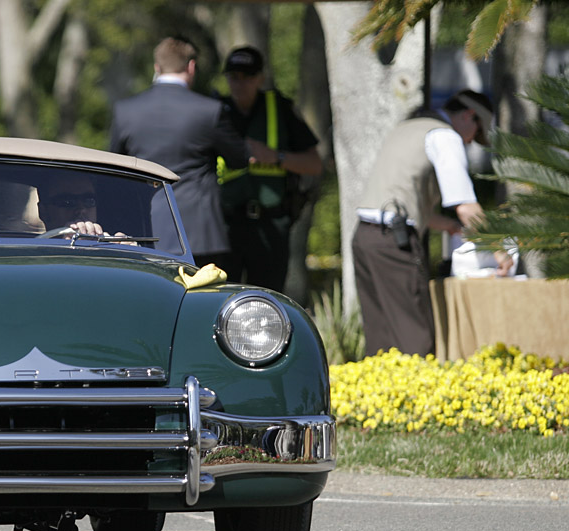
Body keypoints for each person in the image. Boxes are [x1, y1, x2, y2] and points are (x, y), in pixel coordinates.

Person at [352, 89, 511, 356]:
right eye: (476, 132)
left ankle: (377, 397)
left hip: (365, 238)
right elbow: (464, 206)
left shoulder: (408, 126)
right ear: (469, 116)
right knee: (415, 337)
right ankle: (418, 397)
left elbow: (399, 200)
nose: (471, 142)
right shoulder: (445, 136)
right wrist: (499, 251)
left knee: (380, 338)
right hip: (394, 243)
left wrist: (448, 227)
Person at [109, 36, 257, 270]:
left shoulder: (125, 112)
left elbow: (114, 169)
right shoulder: (210, 111)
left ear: (157, 68)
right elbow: (240, 159)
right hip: (201, 234)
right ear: (191, 66)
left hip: (144, 232)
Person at [217, 46, 323, 292]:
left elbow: (314, 164)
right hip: (225, 226)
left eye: (247, 77)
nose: (239, 84)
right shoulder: (215, 112)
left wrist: (276, 157)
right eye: (234, 76)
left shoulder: (280, 109)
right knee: (219, 299)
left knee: (266, 299)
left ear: (260, 79)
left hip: (270, 225)